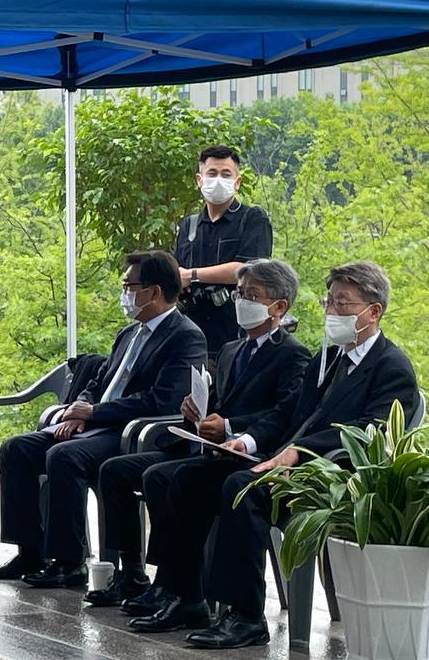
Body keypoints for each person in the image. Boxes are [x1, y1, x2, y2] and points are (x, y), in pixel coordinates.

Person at [164, 261, 417, 650]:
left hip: (331, 477)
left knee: (241, 489)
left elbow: (371, 435)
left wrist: (299, 453)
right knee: (189, 477)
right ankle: (184, 596)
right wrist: (246, 442)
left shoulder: (390, 366)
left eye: (343, 304)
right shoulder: (328, 356)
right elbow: (288, 414)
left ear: (374, 311)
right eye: (328, 301)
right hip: (285, 461)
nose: (332, 311)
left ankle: (245, 615)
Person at [92, 259, 310, 625]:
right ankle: (175, 588)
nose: (242, 300)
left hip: (256, 455)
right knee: (159, 476)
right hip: (221, 450)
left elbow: (285, 413)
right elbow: (219, 408)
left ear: (279, 307)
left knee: (180, 480)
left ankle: (195, 595)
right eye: (239, 293)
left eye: (252, 295)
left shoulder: (292, 355)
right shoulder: (230, 351)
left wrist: (231, 428)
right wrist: (197, 415)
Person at [0, 251, 206, 588]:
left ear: (155, 292)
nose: (125, 294)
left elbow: (162, 399)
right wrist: (79, 409)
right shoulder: (129, 334)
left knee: (63, 456)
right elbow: (97, 382)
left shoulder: (185, 336)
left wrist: (95, 413)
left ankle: (69, 560)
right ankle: (31, 549)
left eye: (129, 286)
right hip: (95, 424)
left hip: (129, 432)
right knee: (17, 448)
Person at [174, 146, 273, 361]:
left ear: (237, 182)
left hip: (235, 333)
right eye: (212, 173)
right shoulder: (189, 225)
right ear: (199, 180)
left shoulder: (252, 219)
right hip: (192, 334)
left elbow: (249, 269)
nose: (218, 179)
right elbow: (177, 272)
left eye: (226, 174)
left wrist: (192, 275)